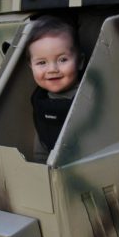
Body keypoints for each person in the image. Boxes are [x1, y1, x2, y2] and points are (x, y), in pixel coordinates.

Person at [27, 15, 83, 152]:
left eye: (62, 60)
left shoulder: (88, 95)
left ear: (80, 62)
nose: (52, 69)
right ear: (31, 67)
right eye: (42, 63)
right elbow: (41, 144)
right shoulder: (39, 100)